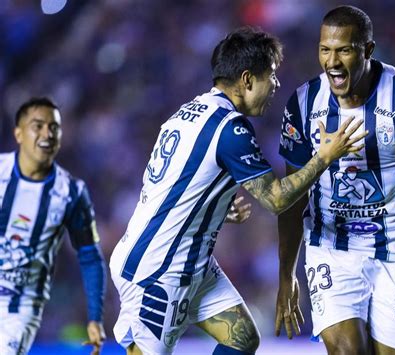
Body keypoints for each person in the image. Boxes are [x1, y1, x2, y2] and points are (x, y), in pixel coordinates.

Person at [109, 26, 367, 355]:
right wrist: (324, 157)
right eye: (270, 76)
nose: (275, 85)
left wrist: (210, 210)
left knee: (242, 337)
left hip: (188, 260)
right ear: (247, 80)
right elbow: (275, 199)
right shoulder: (230, 128)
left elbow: (169, 186)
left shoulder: (187, 113)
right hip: (161, 271)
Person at [275, 5, 395, 354]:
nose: (333, 62)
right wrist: (286, 275)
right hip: (331, 249)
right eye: (325, 50)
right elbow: (293, 197)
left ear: (367, 51)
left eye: (344, 50)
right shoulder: (303, 103)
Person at [0, 97, 107, 355]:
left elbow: (90, 257)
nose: (47, 133)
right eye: (38, 126)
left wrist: (95, 317)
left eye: (54, 128)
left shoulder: (71, 192)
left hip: (20, 309)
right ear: (18, 133)